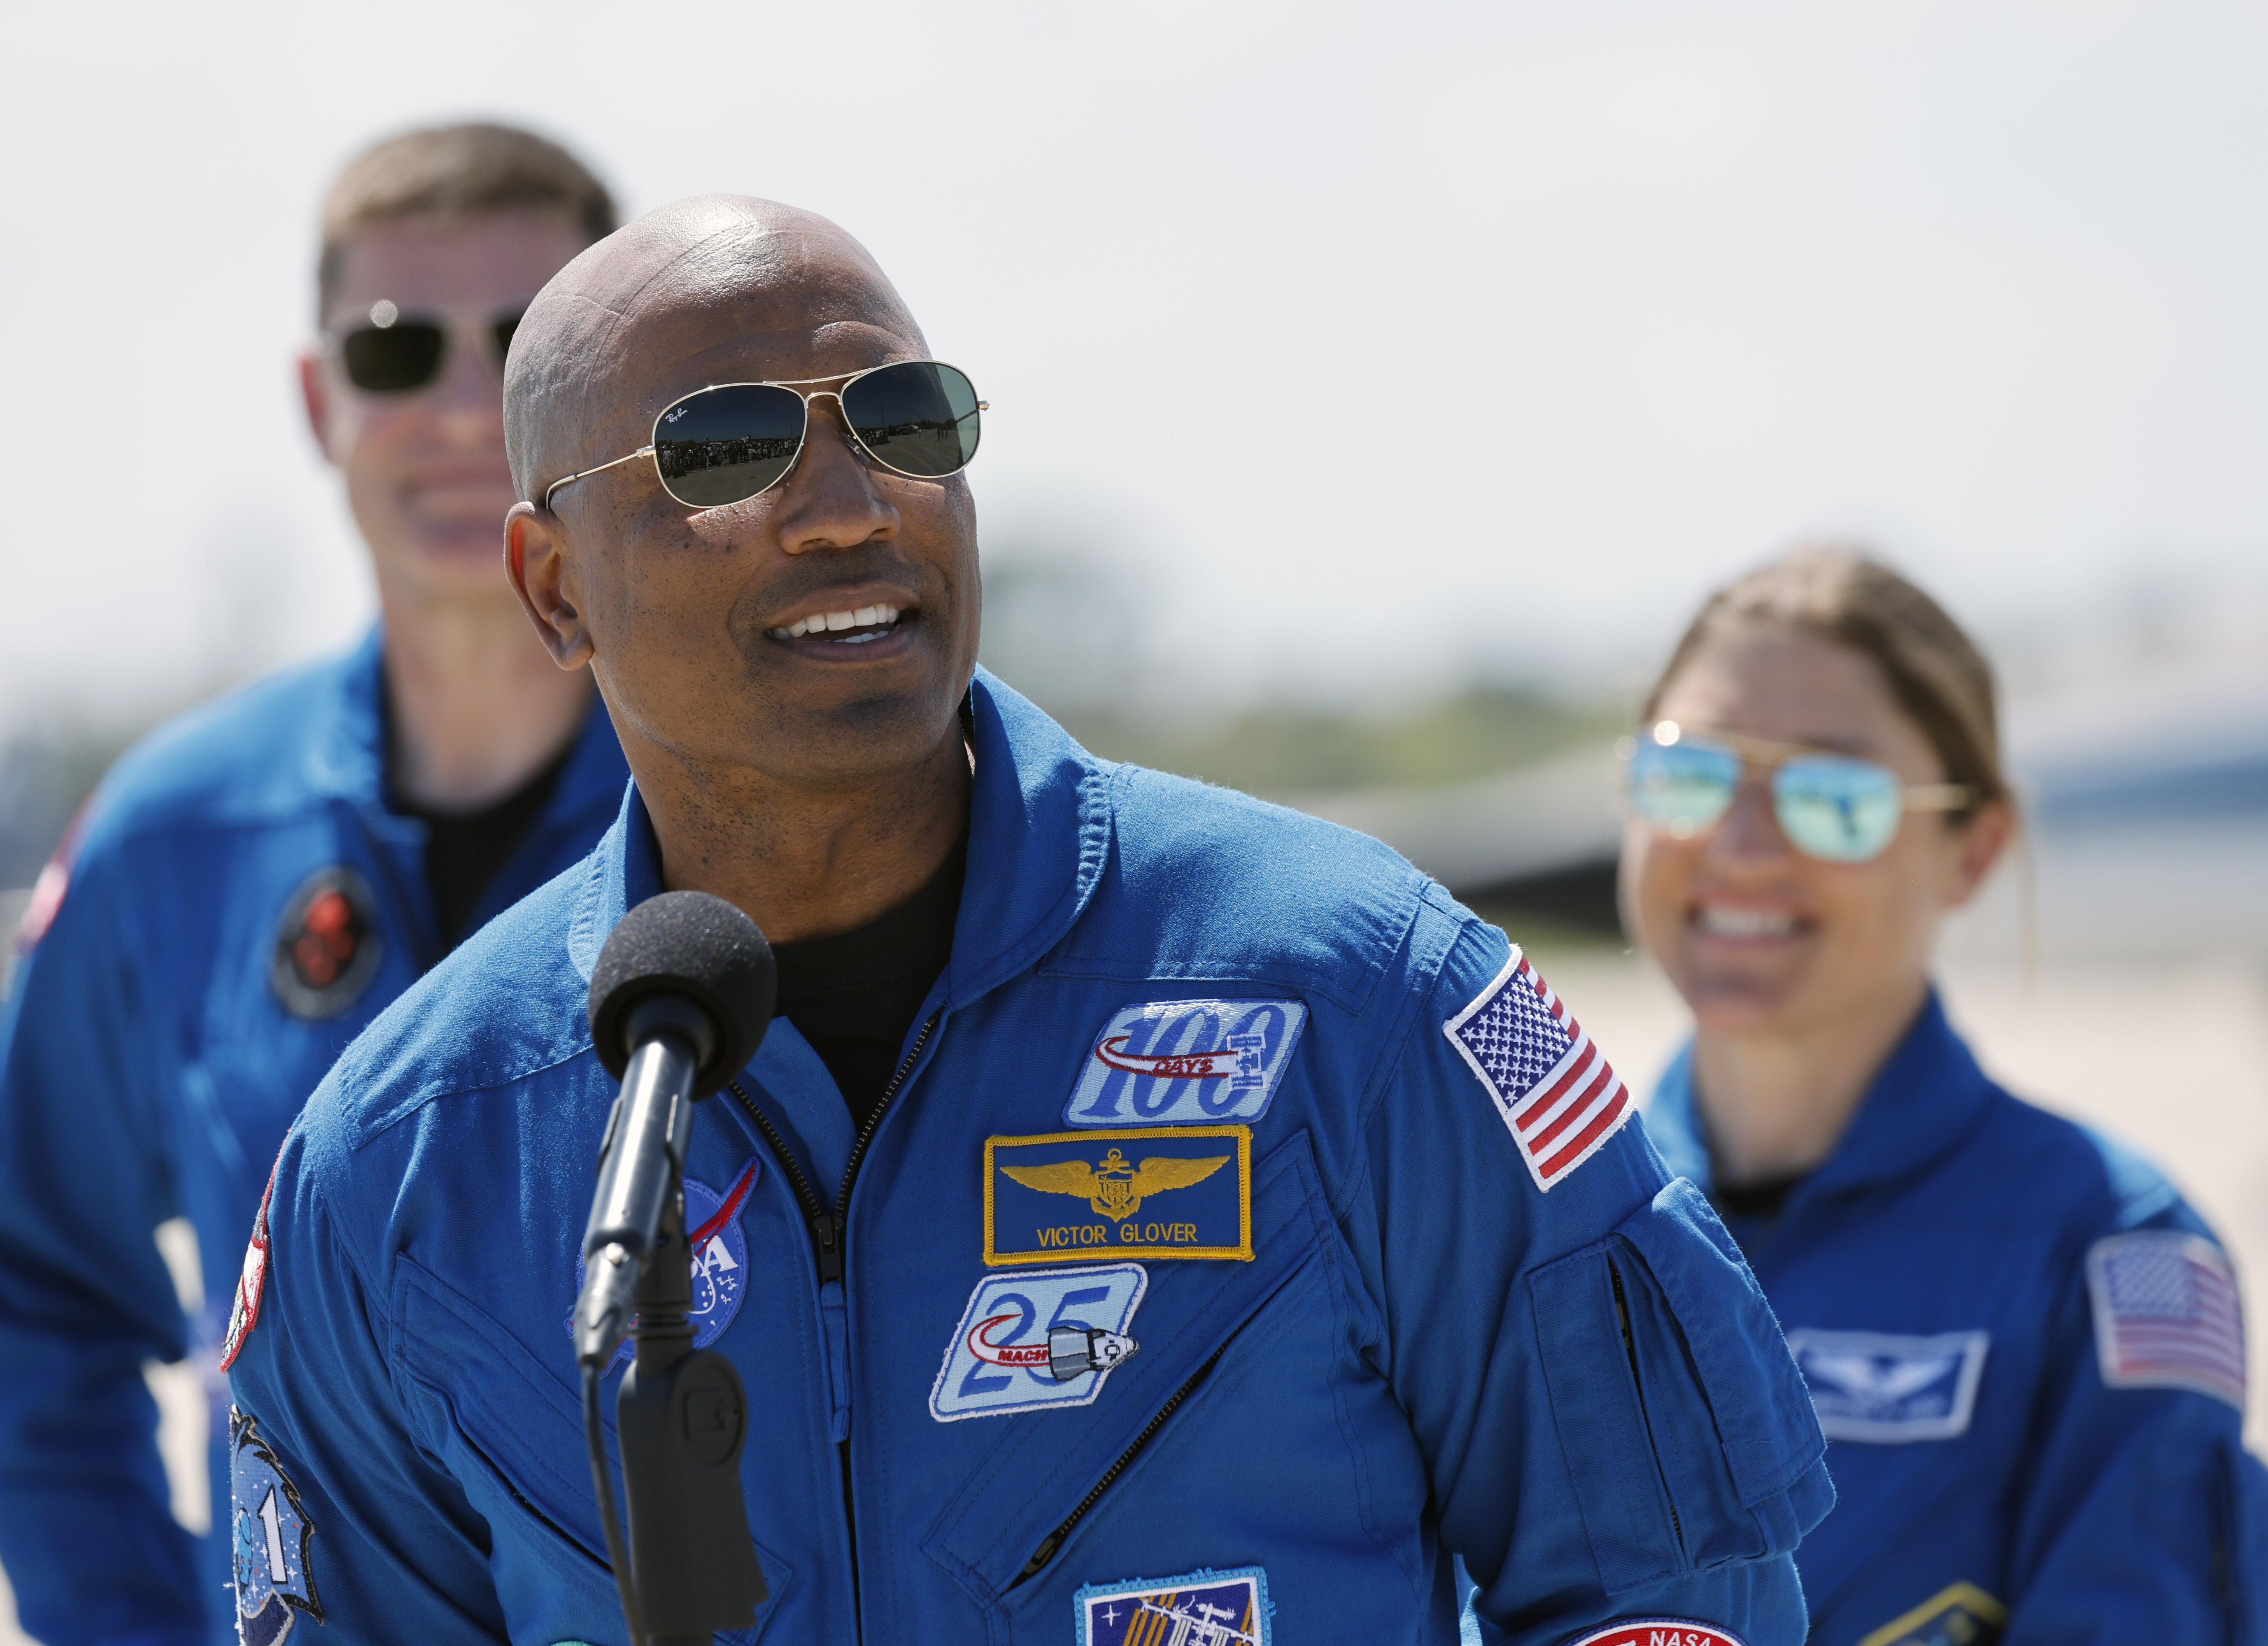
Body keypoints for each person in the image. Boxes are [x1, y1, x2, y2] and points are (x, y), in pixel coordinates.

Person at [220, 193, 1834, 1646]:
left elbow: (1667, 1589)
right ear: (554, 585)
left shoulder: (1356, 997)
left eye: (904, 422)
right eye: (726, 451)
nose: (849, 507)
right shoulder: (402, 1165)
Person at [0, 123, 634, 1646]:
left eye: (522, 349)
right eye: (396, 351)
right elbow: (33, 1283)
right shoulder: (167, 838)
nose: (464, 407)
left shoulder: (760, 812)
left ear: (615, 401)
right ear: (321, 402)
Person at [1621, 546, 2268, 1645]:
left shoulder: (2109, 1254)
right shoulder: (1522, 1229)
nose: (1738, 843)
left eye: (1835, 799)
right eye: (1690, 774)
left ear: (1974, 851)